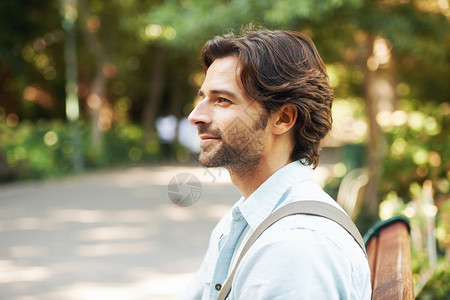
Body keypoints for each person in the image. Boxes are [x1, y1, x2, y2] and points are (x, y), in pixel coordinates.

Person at [180, 28, 371, 299]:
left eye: (222, 100)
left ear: (283, 119)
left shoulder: (297, 247)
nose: (195, 115)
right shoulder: (245, 218)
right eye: (203, 97)